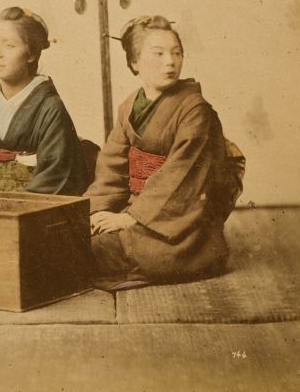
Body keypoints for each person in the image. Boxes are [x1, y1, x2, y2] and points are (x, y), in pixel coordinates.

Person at [86, 16, 244, 291]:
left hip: (179, 218)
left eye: (176, 53)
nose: (170, 62)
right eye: (158, 54)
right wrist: (96, 211)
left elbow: (179, 175)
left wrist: (131, 217)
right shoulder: (128, 107)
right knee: (81, 235)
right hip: (141, 206)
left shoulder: (195, 110)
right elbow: (112, 166)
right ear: (134, 63)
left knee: (105, 249)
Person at [0, 6, 88, 196]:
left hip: (33, 207)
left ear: (32, 53)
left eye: (9, 46)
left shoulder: (50, 107)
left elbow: (55, 174)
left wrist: (10, 203)